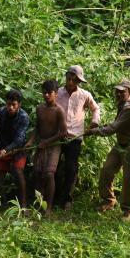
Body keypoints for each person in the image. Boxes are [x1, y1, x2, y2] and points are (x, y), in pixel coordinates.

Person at [86, 80, 130, 220]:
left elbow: (113, 128)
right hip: (121, 144)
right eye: (117, 91)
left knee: (128, 178)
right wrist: (100, 128)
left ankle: (128, 210)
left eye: (122, 92)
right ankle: (108, 200)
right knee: (107, 170)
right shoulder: (122, 104)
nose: (118, 94)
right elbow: (116, 124)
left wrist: (94, 131)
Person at [55, 65, 101, 209]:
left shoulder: (84, 95)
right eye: (70, 78)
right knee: (53, 167)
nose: (72, 82)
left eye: (76, 80)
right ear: (67, 77)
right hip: (57, 136)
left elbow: (95, 108)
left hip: (75, 136)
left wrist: (95, 121)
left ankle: (67, 199)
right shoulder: (57, 93)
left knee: (71, 168)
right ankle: (53, 197)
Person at [26, 80, 67, 215]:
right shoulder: (40, 108)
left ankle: (48, 207)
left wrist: (47, 142)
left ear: (56, 94)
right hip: (41, 145)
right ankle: (39, 204)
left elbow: (63, 133)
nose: (46, 95)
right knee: (37, 173)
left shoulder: (59, 111)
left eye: (49, 93)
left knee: (49, 174)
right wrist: (31, 141)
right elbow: (37, 127)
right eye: (44, 93)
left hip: (54, 145)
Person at [0, 89, 31, 208]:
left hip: (17, 150)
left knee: (18, 172)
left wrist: (8, 149)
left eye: (13, 105)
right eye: (8, 104)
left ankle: (23, 205)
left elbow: (20, 139)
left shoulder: (24, 117)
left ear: (19, 104)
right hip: (1, 148)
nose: (10, 107)